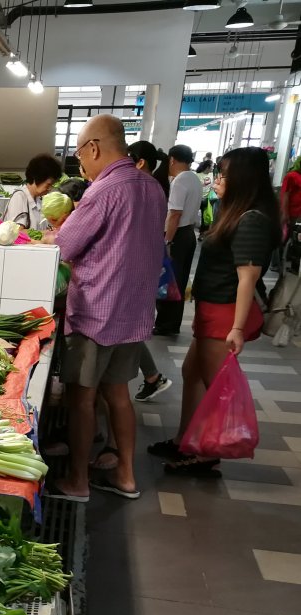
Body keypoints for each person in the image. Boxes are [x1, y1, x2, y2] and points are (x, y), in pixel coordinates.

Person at [46, 115, 166, 503]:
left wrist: (58, 229)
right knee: (118, 395)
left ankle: (78, 481)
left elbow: (64, 246)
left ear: (93, 148)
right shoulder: (152, 187)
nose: (82, 163)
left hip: (97, 312)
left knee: (83, 397)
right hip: (134, 312)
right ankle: (127, 476)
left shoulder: (103, 190)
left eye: (81, 154)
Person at [152, 147, 277, 476]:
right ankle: (185, 439)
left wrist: (236, 329)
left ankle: (206, 453)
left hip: (225, 313)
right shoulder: (234, 212)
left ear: (243, 179)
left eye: (225, 174)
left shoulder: (252, 220)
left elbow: (247, 279)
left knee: (213, 383)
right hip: (212, 308)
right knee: (192, 373)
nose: (218, 179)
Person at [124, 141, 174, 404]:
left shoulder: (143, 189)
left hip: (137, 272)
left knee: (129, 328)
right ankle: (154, 376)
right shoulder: (154, 188)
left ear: (140, 162)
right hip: (144, 268)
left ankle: (154, 376)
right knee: (131, 328)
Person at [153, 144, 202, 336]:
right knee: (179, 282)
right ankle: (172, 323)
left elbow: (174, 214)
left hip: (177, 235)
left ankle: (165, 324)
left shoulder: (180, 180)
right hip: (188, 234)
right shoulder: (194, 178)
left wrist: (167, 241)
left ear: (172, 160)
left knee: (168, 280)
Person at [4, 154, 63, 230]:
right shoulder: (19, 197)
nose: (50, 188)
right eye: (48, 184)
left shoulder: (38, 199)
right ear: (36, 178)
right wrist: (45, 234)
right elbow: (17, 232)